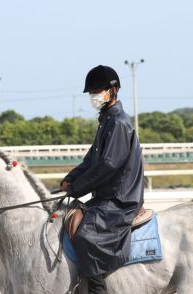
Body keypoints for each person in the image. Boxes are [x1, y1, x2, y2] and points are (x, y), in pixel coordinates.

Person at [60, 65, 144, 294]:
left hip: (119, 200)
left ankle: (98, 290)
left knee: (86, 234)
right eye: (92, 91)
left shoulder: (118, 123)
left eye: (98, 90)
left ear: (112, 91)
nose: (94, 95)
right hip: (106, 196)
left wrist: (78, 188)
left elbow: (108, 165)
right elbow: (91, 159)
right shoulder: (106, 120)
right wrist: (71, 179)